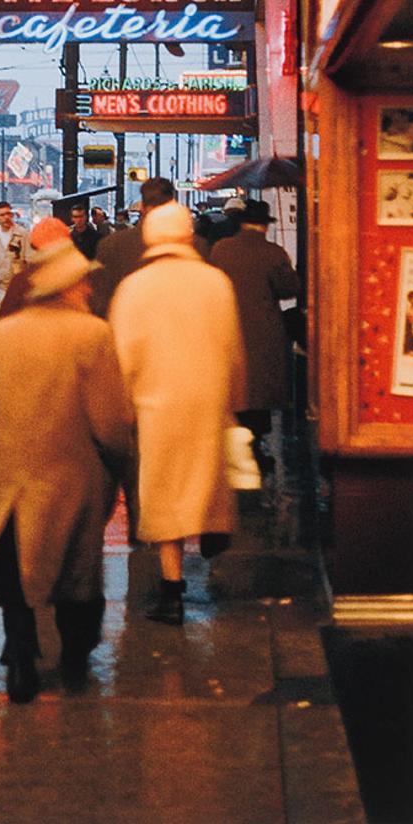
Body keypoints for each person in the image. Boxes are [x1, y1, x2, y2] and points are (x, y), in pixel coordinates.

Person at [0, 238, 133, 702]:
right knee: (76, 574)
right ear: (69, 287)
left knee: (15, 575)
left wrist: (2, 452)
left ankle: (21, 663)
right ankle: (74, 659)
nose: (88, 289)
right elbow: (109, 420)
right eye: (83, 281)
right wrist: (120, 465)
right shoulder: (92, 335)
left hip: (13, 472)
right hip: (73, 473)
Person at [109, 202, 246, 627]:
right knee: (206, 480)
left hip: (157, 405)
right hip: (208, 400)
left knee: (165, 492)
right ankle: (212, 530)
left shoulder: (136, 287)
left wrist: (122, 407)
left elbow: (122, 355)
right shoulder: (215, 282)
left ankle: (171, 589)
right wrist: (235, 402)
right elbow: (233, 350)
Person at [210, 198, 301, 470]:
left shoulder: (221, 250)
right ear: (264, 225)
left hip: (227, 328)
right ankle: (256, 447)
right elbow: (289, 289)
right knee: (260, 391)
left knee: (234, 387)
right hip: (263, 333)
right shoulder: (273, 252)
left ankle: (233, 443)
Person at [92, 175, 209, 316]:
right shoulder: (197, 245)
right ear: (172, 202)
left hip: (127, 325)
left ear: (142, 206)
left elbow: (99, 298)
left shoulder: (112, 244)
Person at [0, 200, 31, 313]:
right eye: (2, 215)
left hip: (17, 287)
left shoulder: (22, 234)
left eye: (8, 214)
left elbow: (30, 259)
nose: (6, 217)